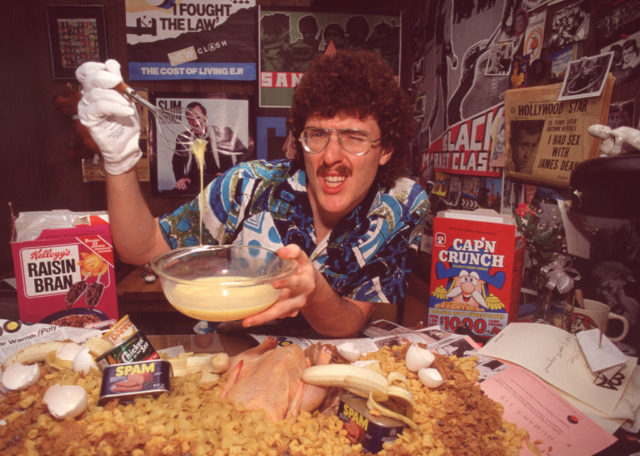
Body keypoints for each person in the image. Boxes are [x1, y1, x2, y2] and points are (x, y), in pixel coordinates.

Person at [75, 52, 429, 338]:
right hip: (227, 355)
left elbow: (350, 321)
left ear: (386, 149)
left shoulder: (399, 207)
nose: (331, 157)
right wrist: (119, 162)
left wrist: (313, 290)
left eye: (354, 137)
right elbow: (141, 248)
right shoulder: (248, 185)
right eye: (318, 134)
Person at [172, 102, 247, 193]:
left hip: (222, 181)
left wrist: (230, 174)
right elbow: (177, 162)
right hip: (196, 184)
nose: (195, 123)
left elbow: (245, 155)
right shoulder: (183, 138)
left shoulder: (224, 133)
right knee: (174, 194)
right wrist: (180, 178)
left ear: (206, 116)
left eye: (198, 117)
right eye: (190, 119)